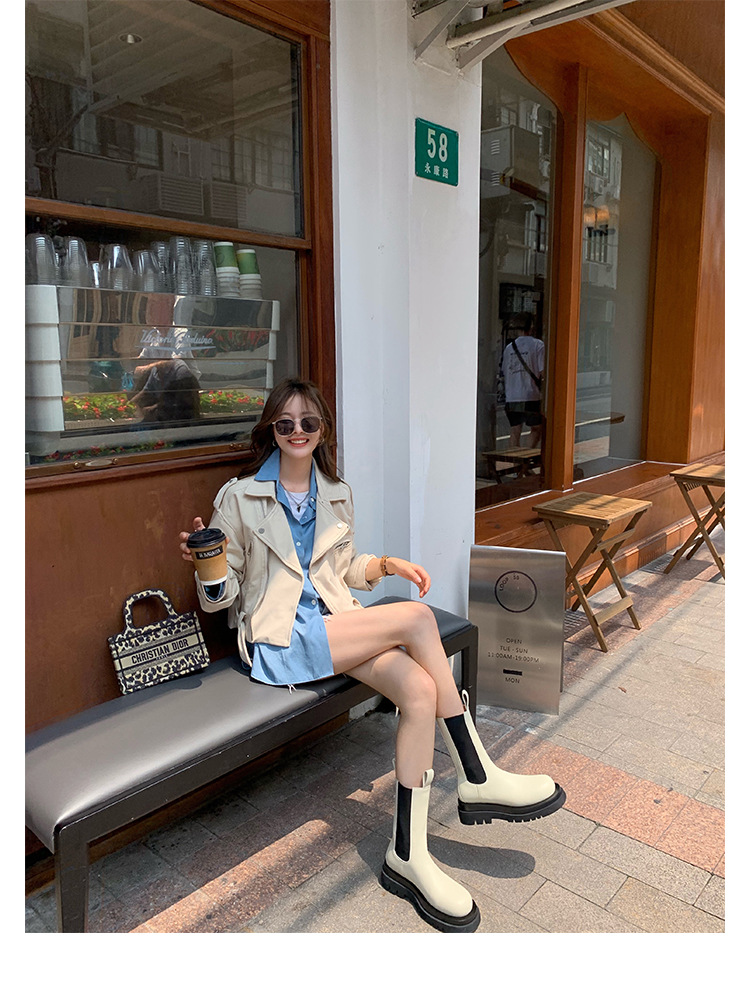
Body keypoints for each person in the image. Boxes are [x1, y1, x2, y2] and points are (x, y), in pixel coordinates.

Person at [179, 378, 565, 933]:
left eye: (308, 422)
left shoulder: (336, 492)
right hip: (281, 640)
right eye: (285, 423)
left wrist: (386, 565)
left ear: (322, 430)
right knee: (417, 618)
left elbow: (343, 569)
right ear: (271, 430)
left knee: (419, 690)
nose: (297, 431)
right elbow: (223, 599)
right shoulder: (239, 498)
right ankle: (477, 773)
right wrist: (208, 563)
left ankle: (406, 854)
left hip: (335, 626)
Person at [500, 314, 545, 448]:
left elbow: (504, 371)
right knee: (536, 429)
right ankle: (526, 457)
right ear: (531, 327)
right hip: (530, 395)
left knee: (515, 430)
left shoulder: (509, 348)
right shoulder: (538, 345)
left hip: (512, 396)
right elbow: (543, 371)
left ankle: (516, 459)